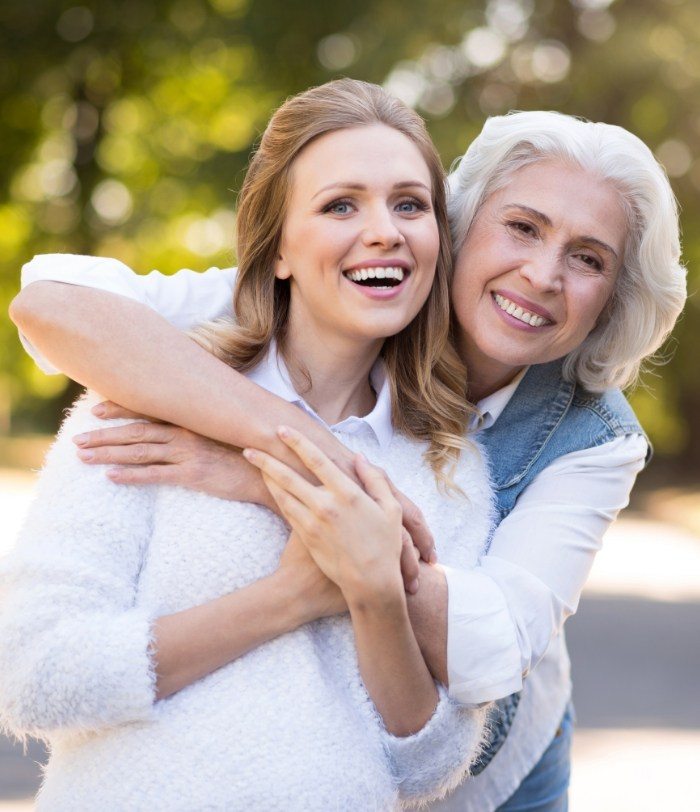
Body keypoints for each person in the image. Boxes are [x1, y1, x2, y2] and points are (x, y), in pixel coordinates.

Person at [10, 109, 686, 811]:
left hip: (498, 770)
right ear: (461, 226)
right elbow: (57, 301)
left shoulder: (570, 444)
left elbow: (479, 665)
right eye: (522, 226)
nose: (543, 274)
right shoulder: (327, 288)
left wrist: (298, 493)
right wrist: (302, 449)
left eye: (588, 258)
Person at [0, 80, 497, 810]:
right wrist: (287, 598)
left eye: (409, 204)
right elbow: (30, 675)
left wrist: (373, 592)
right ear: (279, 250)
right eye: (339, 205)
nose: (386, 230)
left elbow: (430, 767)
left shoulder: (452, 469)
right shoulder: (145, 405)